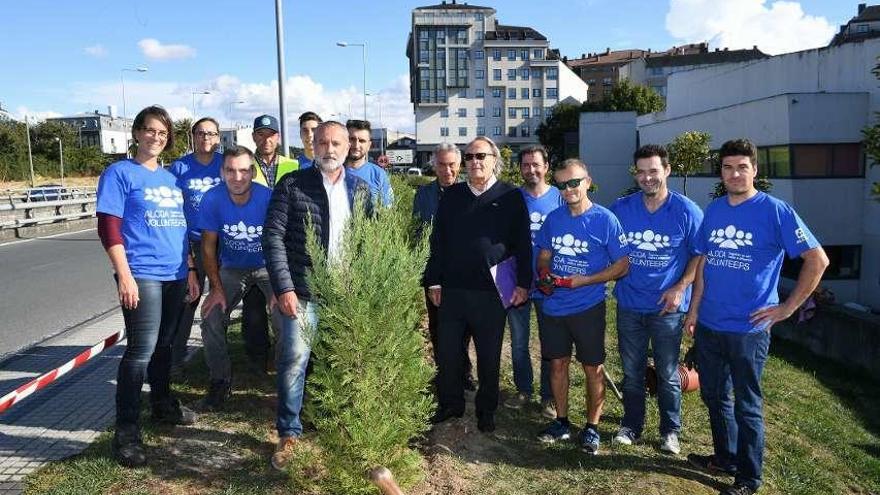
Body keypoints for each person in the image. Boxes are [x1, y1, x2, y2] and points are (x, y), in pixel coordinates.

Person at [684, 139, 828, 495]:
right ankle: (725, 457)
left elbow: (817, 260)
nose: (734, 173)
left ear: (755, 170)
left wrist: (786, 309)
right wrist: (695, 308)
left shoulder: (775, 211)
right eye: (728, 167)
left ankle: (749, 478)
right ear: (721, 172)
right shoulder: (714, 210)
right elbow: (703, 262)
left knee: (747, 405)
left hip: (749, 330)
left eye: (742, 167)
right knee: (715, 396)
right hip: (711, 325)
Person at [262, 121, 371, 470]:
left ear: (348, 146)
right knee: (295, 360)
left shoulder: (360, 189)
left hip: (344, 293)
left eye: (337, 143)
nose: (330, 149)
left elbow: (370, 242)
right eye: (322, 142)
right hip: (303, 294)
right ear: (312, 146)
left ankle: (330, 421)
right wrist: (285, 288)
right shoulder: (292, 185)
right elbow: (273, 238)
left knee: (336, 360)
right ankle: (289, 432)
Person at [96, 105, 200, 468]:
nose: (156, 137)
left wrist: (189, 267)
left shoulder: (172, 179)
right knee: (140, 350)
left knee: (166, 347)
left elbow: (182, 227)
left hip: (174, 273)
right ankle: (126, 432)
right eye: (150, 130)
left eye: (163, 132)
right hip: (141, 272)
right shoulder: (119, 173)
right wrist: (124, 274)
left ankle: (162, 404)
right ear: (137, 133)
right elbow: (108, 226)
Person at [424, 136, 532, 433]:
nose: (475, 162)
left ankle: (486, 409)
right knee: (449, 352)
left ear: (494, 159)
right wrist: (433, 280)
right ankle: (451, 404)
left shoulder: (511, 196)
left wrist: (524, 284)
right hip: (453, 290)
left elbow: (523, 244)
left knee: (489, 355)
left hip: (492, 293)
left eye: (480, 156)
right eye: (469, 157)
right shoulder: (453, 196)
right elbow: (439, 242)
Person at [608, 144, 703, 454]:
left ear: (667, 171)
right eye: (641, 172)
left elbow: (699, 255)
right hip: (629, 304)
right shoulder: (621, 208)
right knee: (633, 371)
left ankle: (670, 431)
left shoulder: (687, 211)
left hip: (668, 309)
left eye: (653, 171)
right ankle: (631, 425)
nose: (647, 177)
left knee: (667, 372)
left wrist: (681, 286)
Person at [534, 158, 629, 455]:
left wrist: (585, 280)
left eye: (574, 182)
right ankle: (562, 422)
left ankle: (592, 428)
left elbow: (623, 266)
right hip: (554, 307)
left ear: (588, 181)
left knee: (592, 368)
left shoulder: (605, 219)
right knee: (558, 365)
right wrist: (544, 276)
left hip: (588, 307)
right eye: (562, 185)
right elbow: (544, 255)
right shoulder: (554, 218)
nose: (568, 189)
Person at [197, 145, 275, 411]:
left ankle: (287, 380)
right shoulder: (212, 199)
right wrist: (216, 289)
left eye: (243, 170)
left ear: (253, 172)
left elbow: (281, 244)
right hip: (231, 268)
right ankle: (220, 379)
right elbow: (207, 247)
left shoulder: (268, 198)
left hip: (267, 267)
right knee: (210, 316)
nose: (237, 177)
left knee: (288, 317)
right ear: (222, 172)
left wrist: (282, 289)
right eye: (230, 170)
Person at [503, 144, 562, 418]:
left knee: (550, 343)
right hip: (518, 283)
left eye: (535, 164)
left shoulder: (560, 198)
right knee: (518, 342)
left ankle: (549, 397)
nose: (531, 170)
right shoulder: (512, 198)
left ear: (546, 167)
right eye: (525, 165)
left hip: (550, 284)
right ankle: (524, 389)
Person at [412, 142, 476, 392]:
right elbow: (418, 234)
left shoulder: (470, 192)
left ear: (459, 165)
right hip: (435, 274)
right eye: (442, 164)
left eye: (452, 164)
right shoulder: (424, 195)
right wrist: (428, 276)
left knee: (465, 326)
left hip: (464, 275)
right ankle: (443, 373)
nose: (447, 170)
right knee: (438, 327)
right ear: (434, 165)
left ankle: (464, 371)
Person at [243, 114, 300, 374]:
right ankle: (257, 360)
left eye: (271, 134)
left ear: (278, 137)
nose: (266, 139)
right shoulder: (245, 165)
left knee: (284, 304)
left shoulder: (292, 165)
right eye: (261, 134)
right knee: (253, 310)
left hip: (284, 244)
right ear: (254, 136)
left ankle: (283, 359)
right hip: (251, 244)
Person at [168, 117, 224, 374]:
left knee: (225, 294)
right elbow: (171, 209)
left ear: (218, 137)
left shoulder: (225, 164)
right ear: (193, 136)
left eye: (211, 134)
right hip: (193, 242)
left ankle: (220, 351)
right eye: (201, 133)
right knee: (188, 300)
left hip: (224, 241)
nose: (206, 138)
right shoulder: (179, 168)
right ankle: (176, 357)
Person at [345, 119, 393, 206]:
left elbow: (387, 211)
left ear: (369, 145)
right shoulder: (332, 172)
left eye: (362, 141)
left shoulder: (379, 175)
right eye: (352, 139)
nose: (356, 145)